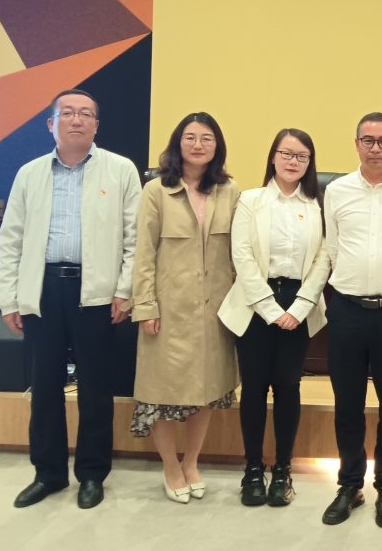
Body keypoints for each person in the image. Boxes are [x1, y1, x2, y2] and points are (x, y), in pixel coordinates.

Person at [0, 89, 141, 509]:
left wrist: (124, 290)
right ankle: (49, 473)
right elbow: (10, 240)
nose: (76, 120)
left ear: (97, 124)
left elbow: (135, 238)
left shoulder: (120, 170)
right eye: (68, 113)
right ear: (51, 123)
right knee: (44, 387)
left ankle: (92, 474)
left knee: (96, 388)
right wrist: (10, 299)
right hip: (42, 289)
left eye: (85, 114)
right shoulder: (30, 173)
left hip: (96, 292)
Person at [129, 112, 240, 504]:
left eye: (207, 138)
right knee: (161, 392)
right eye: (190, 137)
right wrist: (145, 306)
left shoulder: (229, 190)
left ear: (217, 146)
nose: (198, 145)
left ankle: (191, 462)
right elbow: (144, 254)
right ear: (178, 143)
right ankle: (170, 467)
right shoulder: (156, 190)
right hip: (168, 310)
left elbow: (238, 251)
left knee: (205, 391)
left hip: (215, 311)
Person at [319, 112, 382, 528]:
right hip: (346, 310)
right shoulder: (337, 191)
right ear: (356, 143)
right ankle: (349, 485)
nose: (375, 148)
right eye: (368, 140)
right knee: (347, 405)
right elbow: (332, 248)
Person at [219, 128, 330, 507]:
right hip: (254, 303)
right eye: (286, 153)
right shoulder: (250, 200)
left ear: (309, 162)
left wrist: (299, 308)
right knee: (253, 387)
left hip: (300, 304)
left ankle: (283, 470)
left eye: (301, 156)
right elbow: (242, 256)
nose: (293, 161)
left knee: (288, 386)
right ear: (273, 156)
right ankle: (252, 469)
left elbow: (324, 258)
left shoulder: (318, 205)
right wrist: (269, 309)